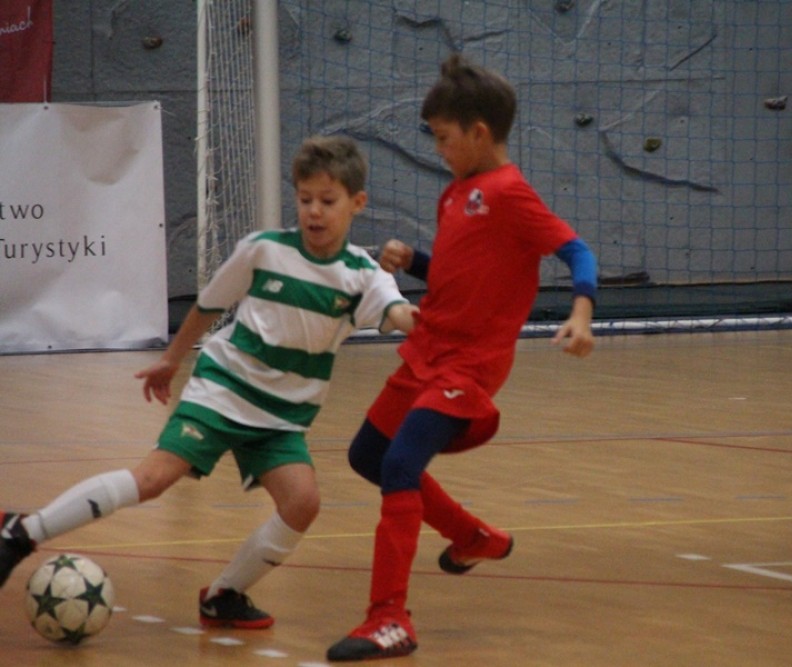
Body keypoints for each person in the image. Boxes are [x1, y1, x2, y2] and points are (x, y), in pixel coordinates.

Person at [0, 135, 418, 629]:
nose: (314, 211)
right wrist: (171, 361)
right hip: (224, 390)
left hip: (282, 417)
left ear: (357, 202)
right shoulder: (263, 250)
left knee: (302, 503)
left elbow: (399, 314)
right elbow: (208, 306)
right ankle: (22, 532)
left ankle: (224, 594)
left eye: (328, 201)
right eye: (305, 199)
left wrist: (435, 323)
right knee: (153, 480)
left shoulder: (363, 276)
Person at [325, 54, 598, 662]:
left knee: (400, 465)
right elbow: (460, 276)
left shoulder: (511, 192)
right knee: (368, 455)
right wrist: (415, 261)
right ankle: (472, 537)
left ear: (478, 133)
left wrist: (581, 314)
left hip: (468, 366)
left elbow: (578, 252)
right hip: (428, 348)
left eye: (444, 137)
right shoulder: (456, 194)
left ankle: (390, 619)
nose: (438, 149)